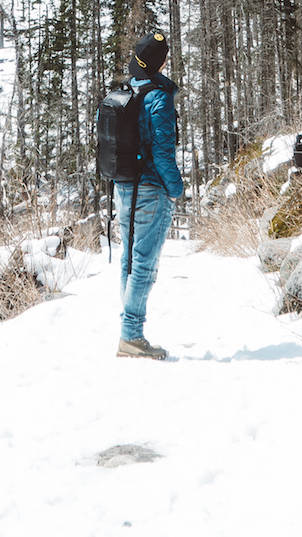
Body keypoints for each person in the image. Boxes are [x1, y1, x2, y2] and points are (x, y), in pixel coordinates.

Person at [115, 30, 184, 359]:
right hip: (150, 189)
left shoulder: (129, 89)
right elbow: (162, 153)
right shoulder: (159, 97)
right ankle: (131, 336)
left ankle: (129, 331)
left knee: (129, 259)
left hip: (124, 187)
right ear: (162, 63)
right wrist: (177, 190)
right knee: (144, 265)